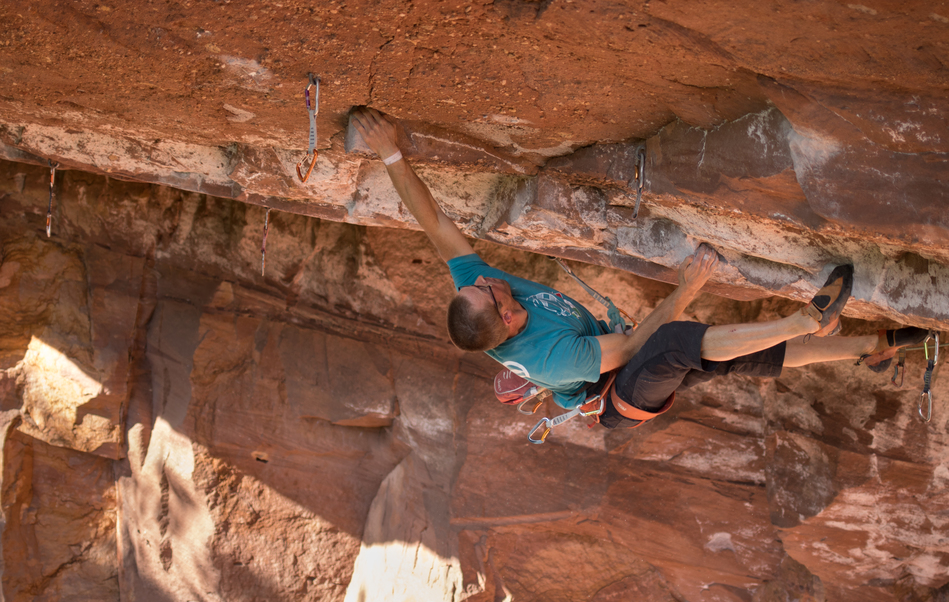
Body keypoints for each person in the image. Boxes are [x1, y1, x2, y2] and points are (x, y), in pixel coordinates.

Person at [351, 108, 928, 428]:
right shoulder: (551, 357)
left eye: (478, 283)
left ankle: (878, 343)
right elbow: (632, 347)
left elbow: (433, 223)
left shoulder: (474, 301)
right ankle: (807, 319)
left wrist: (390, 152)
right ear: (505, 319)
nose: (482, 278)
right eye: (488, 290)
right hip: (619, 394)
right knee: (676, 341)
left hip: (618, 363)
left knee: (739, 357)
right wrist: (687, 288)